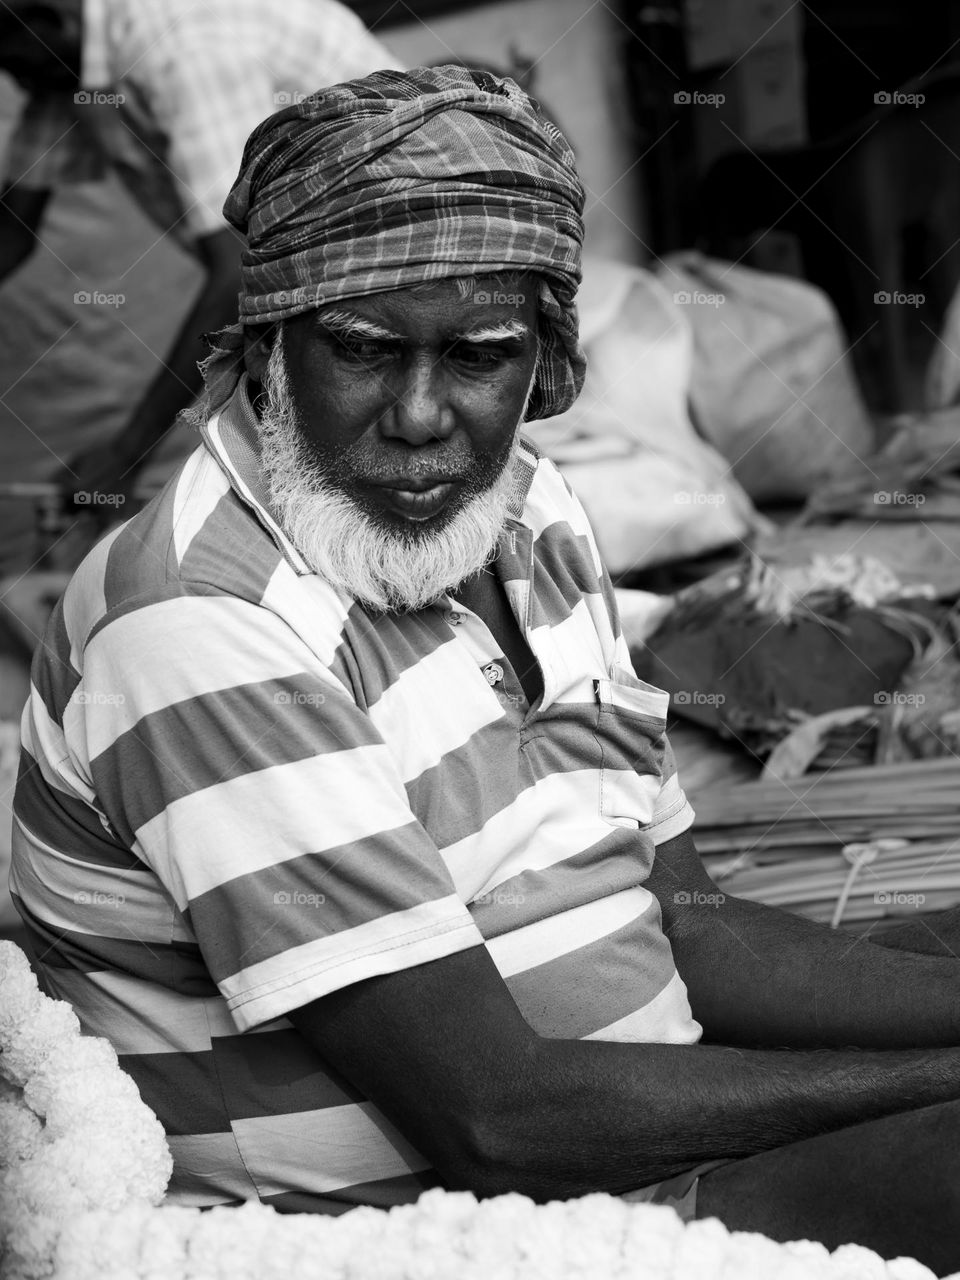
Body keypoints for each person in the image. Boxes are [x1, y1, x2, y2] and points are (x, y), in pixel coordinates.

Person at [9, 65, 960, 1274]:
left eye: (478, 354)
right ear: (272, 343)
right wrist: (924, 1087)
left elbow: (688, 921)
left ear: (543, 362)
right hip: (450, 1224)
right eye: (358, 350)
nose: (419, 414)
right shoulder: (203, 622)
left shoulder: (526, 509)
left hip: (626, 1122)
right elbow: (493, 1120)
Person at [0, 0, 393, 524]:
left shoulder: (180, 46)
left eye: (12, 63)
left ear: (51, 22)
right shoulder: (62, 66)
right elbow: (11, 232)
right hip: (323, 284)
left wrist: (126, 454)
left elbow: (243, 274)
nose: (13, 81)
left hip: (399, 260)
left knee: (360, 478)